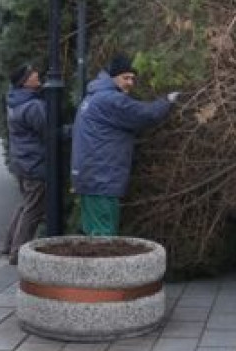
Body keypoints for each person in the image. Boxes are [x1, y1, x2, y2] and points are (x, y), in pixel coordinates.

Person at [71, 53, 179, 236]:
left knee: (93, 236)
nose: (130, 82)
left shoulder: (94, 97)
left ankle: (94, 264)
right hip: (101, 180)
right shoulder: (111, 99)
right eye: (125, 77)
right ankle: (102, 266)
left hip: (90, 178)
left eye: (132, 78)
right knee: (103, 237)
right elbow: (145, 115)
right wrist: (167, 100)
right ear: (113, 76)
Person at [3, 63, 46, 265]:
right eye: (33, 73)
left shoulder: (15, 101)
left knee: (25, 204)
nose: (37, 74)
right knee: (33, 209)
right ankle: (17, 252)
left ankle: (8, 243)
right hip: (34, 162)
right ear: (25, 81)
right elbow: (49, 131)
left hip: (22, 162)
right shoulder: (33, 106)